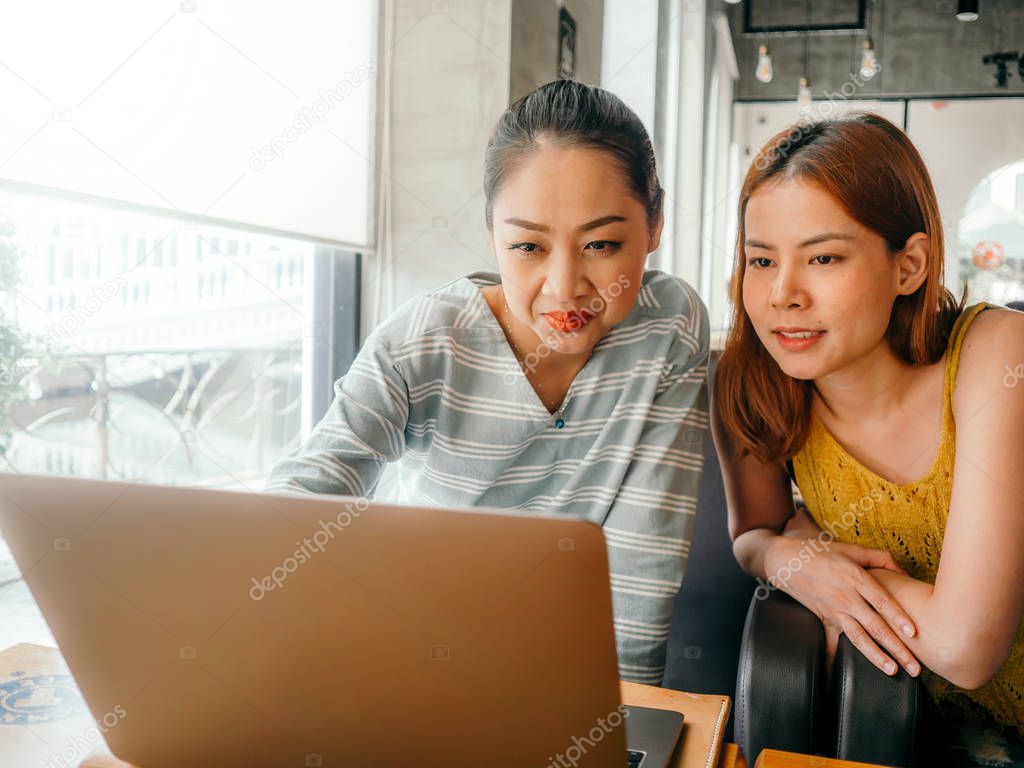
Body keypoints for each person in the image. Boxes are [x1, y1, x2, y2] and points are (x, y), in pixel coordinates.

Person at [264, 79, 710, 684]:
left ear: (655, 224)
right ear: (493, 235)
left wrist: (619, 725)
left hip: (566, 680)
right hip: (408, 662)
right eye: (528, 245)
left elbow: (642, 564)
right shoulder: (422, 341)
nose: (564, 286)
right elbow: (310, 489)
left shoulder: (668, 325)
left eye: (602, 244)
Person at [713, 111, 1024, 739]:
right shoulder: (753, 381)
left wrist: (841, 574)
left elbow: (966, 647)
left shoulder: (1000, 354)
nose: (783, 295)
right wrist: (793, 560)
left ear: (908, 265)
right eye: (762, 261)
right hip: (916, 735)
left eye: (823, 257)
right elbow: (754, 533)